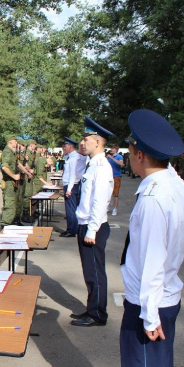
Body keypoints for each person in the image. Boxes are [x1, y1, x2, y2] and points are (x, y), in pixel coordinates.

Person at [120, 109, 184, 367]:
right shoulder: (174, 183)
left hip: (148, 303)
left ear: (140, 155)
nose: (128, 158)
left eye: (130, 151)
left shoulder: (153, 198)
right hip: (164, 297)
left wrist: (149, 316)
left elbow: (152, 259)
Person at [70, 116, 114, 327]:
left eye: (86, 139)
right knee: (89, 271)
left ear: (97, 142)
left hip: (93, 226)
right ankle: (91, 308)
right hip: (86, 224)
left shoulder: (102, 167)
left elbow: (100, 201)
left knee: (95, 272)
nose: (82, 142)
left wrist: (92, 230)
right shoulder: (91, 164)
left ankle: (97, 314)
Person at [60, 137, 81, 237]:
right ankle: (72, 228)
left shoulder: (74, 158)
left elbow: (73, 174)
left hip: (71, 185)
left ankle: (71, 230)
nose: (64, 148)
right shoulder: (71, 157)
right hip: (70, 185)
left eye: (65, 146)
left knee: (71, 209)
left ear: (71, 146)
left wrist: (69, 189)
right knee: (71, 208)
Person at [0, 135, 21, 228]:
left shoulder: (12, 152)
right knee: (9, 205)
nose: (16, 142)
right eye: (15, 141)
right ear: (10, 142)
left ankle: (11, 224)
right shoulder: (7, 152)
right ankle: (5, 226)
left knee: (13, 204)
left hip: (12, 182)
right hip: (9, 182)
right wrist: (14, 176)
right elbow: (4, 166)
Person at [106, 143, 124, 216]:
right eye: (111, 148)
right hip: (109, 176)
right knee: (107, 192)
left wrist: (112, 158)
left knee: (115, 194)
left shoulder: (119, 156)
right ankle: (107, 206)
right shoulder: (108, 157)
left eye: (113, 148)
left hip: (116, 176)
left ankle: (115, 209)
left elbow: (121, 164)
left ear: (116, 150)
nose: (111, 149)